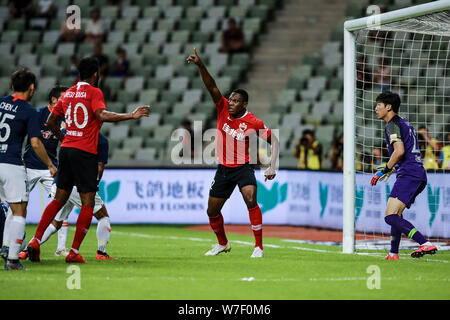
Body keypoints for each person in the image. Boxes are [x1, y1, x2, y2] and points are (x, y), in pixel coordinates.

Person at [26, 57, 150, 264]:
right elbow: (102, 114)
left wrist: (64, 138)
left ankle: (35, 241)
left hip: (66, 151)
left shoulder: (68, 93)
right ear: (95, 74)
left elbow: (50, 121)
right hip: (84, 152)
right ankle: (74, 251)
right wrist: (131, 115)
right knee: (88, 202)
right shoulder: (94, 92)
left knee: (59, 199)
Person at [187, 48, 279, 258]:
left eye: (236, 101)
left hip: (243, 168)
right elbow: (211, 86)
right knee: (212, 211)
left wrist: (272, 165)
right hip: (224, 169)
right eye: (230, 99)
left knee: (250, 199)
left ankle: (258, 247)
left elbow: (274, 139)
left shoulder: (253, 122)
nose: (231, 103)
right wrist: (201, 65)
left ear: (244, 104)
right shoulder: (222, 108)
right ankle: (222, 244)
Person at [20, 132, 115, 260]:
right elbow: (99, 168)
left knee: (56, 223)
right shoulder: (101, 140)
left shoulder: (71, 132)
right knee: (103, 216)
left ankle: (28, 248)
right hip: (80, 185)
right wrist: (94, 183)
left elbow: (55, 132)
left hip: (61, 182)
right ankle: (101, 253)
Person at [0, 69, 58, 270]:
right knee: (19, 210)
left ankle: (6, 246)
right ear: (31, 88)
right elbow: (35, 143)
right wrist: (50, 165)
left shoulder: (0, 103)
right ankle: (13, 259)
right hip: (11, 164)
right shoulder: (28, 111)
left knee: (8, 208)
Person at [371, 91, 437, 260]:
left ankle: (424, 243)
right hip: (416, 173)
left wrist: (385, 169)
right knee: (396, 215)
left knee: (390, 216)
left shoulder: (392, 125)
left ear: (388, 107)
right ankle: (393, 253)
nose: (376, 108)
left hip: (409, 174)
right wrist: (392, 168)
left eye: (379, 105)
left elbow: (399, 151)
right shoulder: (405, 123)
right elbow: (406, 151)